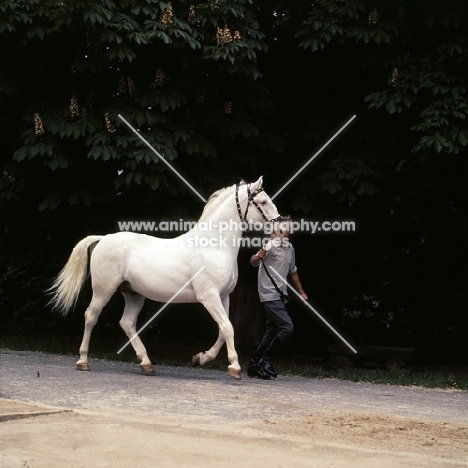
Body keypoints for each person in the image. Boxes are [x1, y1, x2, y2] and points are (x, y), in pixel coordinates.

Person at [248, 217, 308, 380]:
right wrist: (258, 257)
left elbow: (293, 272)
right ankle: (266, 359)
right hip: (268, 294)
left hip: (281, 295)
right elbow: (253, 261)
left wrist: (301, 293)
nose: (285, 230)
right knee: (287, 327)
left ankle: (254, 364)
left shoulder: (290, 248)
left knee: (271, 329)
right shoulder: (270, 245)